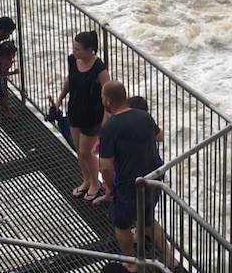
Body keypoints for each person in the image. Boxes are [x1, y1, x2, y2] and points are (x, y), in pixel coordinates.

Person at [98, 82, 179, 273]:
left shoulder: (109, 127)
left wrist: (110, 188)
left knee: (121, 223)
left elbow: (105, 166)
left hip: (129, 185)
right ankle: (170, 260)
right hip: (152, 179)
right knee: (148, 219)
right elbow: (159, 136)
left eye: (102, 97)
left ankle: (131, 263)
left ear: (108, 101)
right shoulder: (143, 116)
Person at [53, 31, 110, 203]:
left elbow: (107, 93)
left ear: (90, 50)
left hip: (92, 114)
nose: (74, 52)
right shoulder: (72, 60)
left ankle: (95, 183)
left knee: (87, 151)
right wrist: (59, 100)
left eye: (78, 49)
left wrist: (106, 118)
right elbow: (69, 82)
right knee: (78, 149)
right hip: (75, 110)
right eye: (74, 48)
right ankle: (86, 180)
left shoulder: (99, 68)